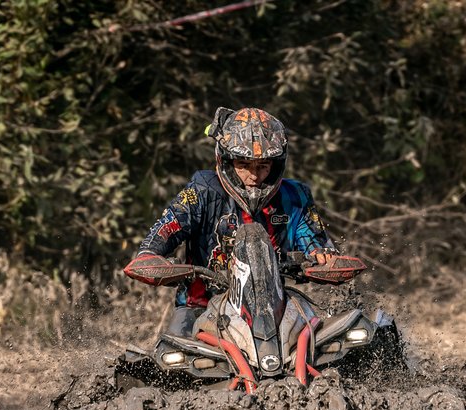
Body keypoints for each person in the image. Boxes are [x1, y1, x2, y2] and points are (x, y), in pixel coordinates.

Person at [125, 106, 341, 336]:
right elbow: (167, 227)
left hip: (274, 310)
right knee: (169, 354)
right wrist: (149, 255)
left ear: (276, 164)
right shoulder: (202, 191)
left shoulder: (295, 197)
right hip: (200, 307)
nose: (254, 175)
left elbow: (315, 243)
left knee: (338, 339)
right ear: (226, 161)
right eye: (244, 165)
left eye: (263, 166)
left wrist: (323, 257)